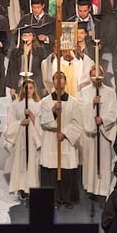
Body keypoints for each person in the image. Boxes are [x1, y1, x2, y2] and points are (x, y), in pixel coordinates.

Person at [40, 72, 83, 208]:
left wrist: (64, 133)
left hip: (66, 142)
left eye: (61, 79)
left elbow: (78, 123)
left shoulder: (74, 102)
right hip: (51, 141)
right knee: (51, 171)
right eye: (56, 79)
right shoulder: (45, 102)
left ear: (66, 82)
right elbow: (43, 122)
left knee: (67, 172)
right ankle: (53, 200)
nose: (59, 81)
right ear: (53, 82)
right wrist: (53, 111)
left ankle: (68, 199)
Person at [78, 66, 117, 207]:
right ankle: (91, 190)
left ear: (102, 76)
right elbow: (81, 110)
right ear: (89, 77)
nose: (96, 78)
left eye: (98, 75)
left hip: (103, 133)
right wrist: (92, 104)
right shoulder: (84, 92)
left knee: (103, 162)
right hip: (90, 134)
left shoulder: (110, 92)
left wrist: (103, 120)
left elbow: (113, 111)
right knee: (91, 162)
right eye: (93, 76)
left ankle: (102, 191)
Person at [3, 78, 42, 199]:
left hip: (33, 138)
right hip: (20, 138)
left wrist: (30, 115)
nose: (28, 90)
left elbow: (42, 122)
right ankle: (21, 188)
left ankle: (32, 188)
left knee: (32, 163)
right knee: (20, 163)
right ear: (22, 89)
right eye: (26, 88)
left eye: (31, 88)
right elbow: (10, 123)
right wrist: (20, 122)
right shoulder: (16, 105)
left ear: (34, 89)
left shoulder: (39, 104)